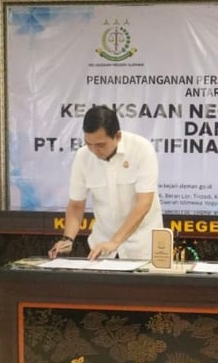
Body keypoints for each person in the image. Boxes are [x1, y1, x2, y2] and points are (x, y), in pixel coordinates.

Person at [48, 105, 163, 260]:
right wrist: (68, 239)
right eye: (89, 144)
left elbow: (144, 203)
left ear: (118, 136)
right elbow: (76, 205)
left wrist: (115, 241)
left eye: (100, 145)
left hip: (142, 246)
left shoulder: (141, 149)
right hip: (101, 247)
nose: (94, 151)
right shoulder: (83, 156)